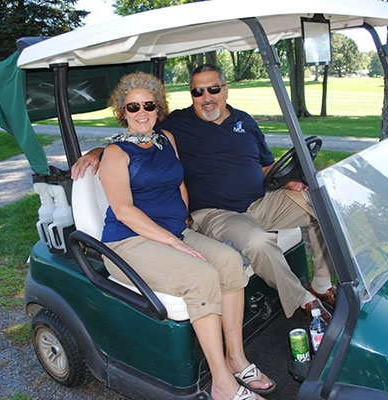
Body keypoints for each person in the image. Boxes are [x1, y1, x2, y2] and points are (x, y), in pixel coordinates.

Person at [72, 64, 335, 322]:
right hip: (217, 214)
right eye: (198, 92)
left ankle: (323, 283)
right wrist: (98, 152)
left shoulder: (245, 120)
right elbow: (137, 131)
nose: (206, 98)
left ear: (226, 90)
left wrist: (287, 181)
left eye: (213, 89)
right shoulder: (178, 124)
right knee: (258, 241)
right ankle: (304, 301)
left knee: (320, 202)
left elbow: (266, 166)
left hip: (261, 202)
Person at [95, 72, 274, 400]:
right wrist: (174, 241)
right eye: (133, 107)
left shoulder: (167, 140)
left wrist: (184, 223)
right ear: (122, 112)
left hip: (175, 230)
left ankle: (235, 358)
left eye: (149, 104)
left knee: (232, 263)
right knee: (202, 276)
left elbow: (179, 183)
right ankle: (222, 384)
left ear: (158, 106)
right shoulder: (115, 154)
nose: (142, 111)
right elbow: (124, 211)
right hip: (128, 242)